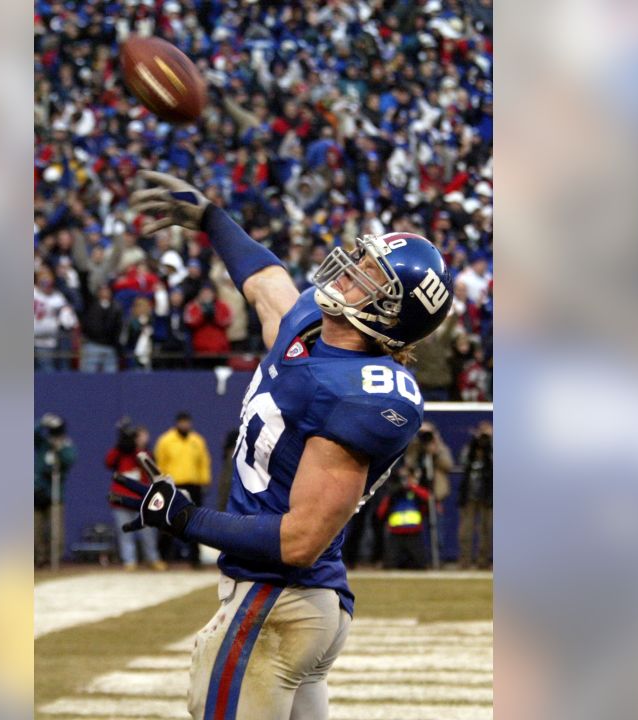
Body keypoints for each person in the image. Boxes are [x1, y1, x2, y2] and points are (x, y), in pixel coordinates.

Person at [111, 170, 454, 719]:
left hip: (278, 601)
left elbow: (300, 541)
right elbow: (265, 282)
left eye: (372, 273)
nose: (353, 267)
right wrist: (211, 218)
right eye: (364, 257)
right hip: (301, 606)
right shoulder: (312, 327)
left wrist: (184, 519)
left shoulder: (358, 392)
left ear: (389, 314)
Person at [153, 411, 212, 568]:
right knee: (168, 520)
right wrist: (161, 483)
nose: (185, 425)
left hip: (193, 486)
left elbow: (203, 462)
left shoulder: (197, 440)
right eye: (182, 422)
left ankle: (195, 559)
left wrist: (205, 480)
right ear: (177, 423)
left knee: (195, 521)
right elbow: (160, 463)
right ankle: (164, 557)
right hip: (173, 485)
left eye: (187, 422)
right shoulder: (166, 440)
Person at [104, 421, 165, 571]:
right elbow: (108, 461)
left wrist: (138, 448)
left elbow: (152, 468)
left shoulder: (143, 453)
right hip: (121, 499)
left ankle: (153, 558)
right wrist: (121, 445)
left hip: (141, 499)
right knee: (125, 531)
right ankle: (129, 560)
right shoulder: (118, 453)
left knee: (148, 531)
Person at [34, 413, 75, 568]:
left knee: (55, 532)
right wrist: (42, 423)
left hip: (55, 494)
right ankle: (38, 559)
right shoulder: (43, 443)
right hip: (38, 493)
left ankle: (54, 560)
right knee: (35, 531)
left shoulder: (66, 445)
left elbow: (70, 460)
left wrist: (60, 449)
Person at [375, 466, 432, 570]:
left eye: (409, 477)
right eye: (404, 478)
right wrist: (395, 491)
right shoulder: (393, 494)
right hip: (395, 535)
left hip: (414, 535)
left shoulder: (417, 493)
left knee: (421, 565)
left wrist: (412, 487)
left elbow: (428, 499)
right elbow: (380, 513)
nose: (407, 480)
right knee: (389, 566)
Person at [456, 420, 494, 570]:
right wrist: (474, 443)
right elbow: (463, 461)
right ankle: (464, 561)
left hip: (488, 494)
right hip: (470, 494)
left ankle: (483, 561)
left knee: (487, 529)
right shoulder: (470, 448)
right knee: (466, 530)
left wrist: (491, 443)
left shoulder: (494, 448)